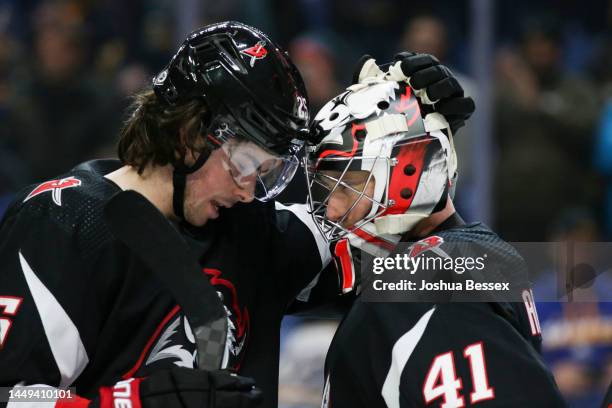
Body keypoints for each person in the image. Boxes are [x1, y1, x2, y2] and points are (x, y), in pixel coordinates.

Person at [0, 21, 474, 408]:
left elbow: (445, 268)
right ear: (187, 133)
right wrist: (126, 403)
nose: (250, 192)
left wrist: (415, 131)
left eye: (265, 173)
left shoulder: (254, 235)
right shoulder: (63, 224)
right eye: (246, 165)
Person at [304, 61, 566, 407]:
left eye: (349, 185)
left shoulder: (430, 281)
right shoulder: (458, 260)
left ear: (411, 170)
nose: (333, 210)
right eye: (327, 189)